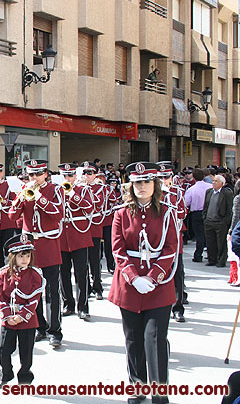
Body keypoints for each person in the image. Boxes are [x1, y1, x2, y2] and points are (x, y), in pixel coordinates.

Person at [109, 162, 179, 404]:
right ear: (131, 185)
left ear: (155, 184)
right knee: (133, 339)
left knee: (155, 339)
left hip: (158, 286)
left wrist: (153, 276)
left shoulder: (167, 212)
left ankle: (160, 394)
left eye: (146, 181)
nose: (141, 186)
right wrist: (134, 277)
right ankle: (137, 387)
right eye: (137, 182)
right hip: (130, 286)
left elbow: (171, 248)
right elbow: (117, 250)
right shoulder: (121, 213)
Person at [9, 159, 64, 348]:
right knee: (31, 289)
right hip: (29, 246)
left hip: (48, 243)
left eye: (38, 174)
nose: (34, 178)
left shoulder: (55, 189)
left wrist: (38, 196)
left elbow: (58, 214)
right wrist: (20, 199)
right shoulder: (24, 190)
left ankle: (55, 331)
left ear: (46, 174)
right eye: (31, 174)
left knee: (51, 291)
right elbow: (12, 216)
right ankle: (39, 326)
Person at [0, 233, 45, 388]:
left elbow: (34, 299)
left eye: (28, 255)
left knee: (26, 353)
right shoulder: (4, 273)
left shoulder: (35, 274)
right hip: (9, 318)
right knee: (2, 350)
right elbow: (0, 297)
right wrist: (8, 316)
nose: (25, 259)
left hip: (27, 320)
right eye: (21, 256)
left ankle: (24, 378)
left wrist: (22, 316)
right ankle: (6, 374)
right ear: (13, 256)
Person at [57, 163, 93, 321]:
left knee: (81, 273)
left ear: (75, 176)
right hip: (62, 236)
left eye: (70, 175)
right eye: (64, 176)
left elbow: (90, 207)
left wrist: (72, 193)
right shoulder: (57, 191)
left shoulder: (83, 190)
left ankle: (83, 306)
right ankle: (68, 303)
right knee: (63, 273)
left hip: (79, 235)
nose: (67, 179)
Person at [157, 161, 187, 323]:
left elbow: (182, 213)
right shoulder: (152, 192)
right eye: (160, 177)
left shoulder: (177, 193)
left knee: (177, 274)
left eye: (166, 176)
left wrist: (169, 199)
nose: (163, 180)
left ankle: (178, 308)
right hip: (155, 240)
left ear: (171, 177)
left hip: (173, 237)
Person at [83, 162, 107, 300]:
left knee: (94, 259)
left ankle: (97, 287)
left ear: (95, 174)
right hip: (80, 228)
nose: (86, 175)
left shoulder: (99, 188)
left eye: (89, 173)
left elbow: (97, 204)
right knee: (82, 261)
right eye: (84, 173)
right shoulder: (77, 188)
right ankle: (86, 287)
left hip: (94, 227)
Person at [0, 163, 18, 271]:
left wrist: (3, 200)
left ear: (1, 173)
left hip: (7, 221)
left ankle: (9, 270)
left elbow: (15, 202)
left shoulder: (9, 185)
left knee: (8, 248)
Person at [203, 175, 233, 267]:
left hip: (220, 222)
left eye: (216, 181)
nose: (214, 182)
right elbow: (205, 206)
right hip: (209, 221)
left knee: (221, 243)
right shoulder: (209, 192)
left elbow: (229, 209)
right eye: (213, 181)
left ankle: (221, 260)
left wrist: (225, 221)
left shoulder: (227, 193)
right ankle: (212, 259)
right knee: (210, 242)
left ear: (222, 184)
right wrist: (204, 217)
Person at [184, 168, 212, 263]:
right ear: (204, 176)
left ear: (194, 178)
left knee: (199, 234)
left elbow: (186, 202)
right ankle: (211, 254)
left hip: (196, 213)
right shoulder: (210, 187)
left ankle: (198, 255)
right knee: (209, 234)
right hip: (209, 212)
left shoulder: (192, 189)